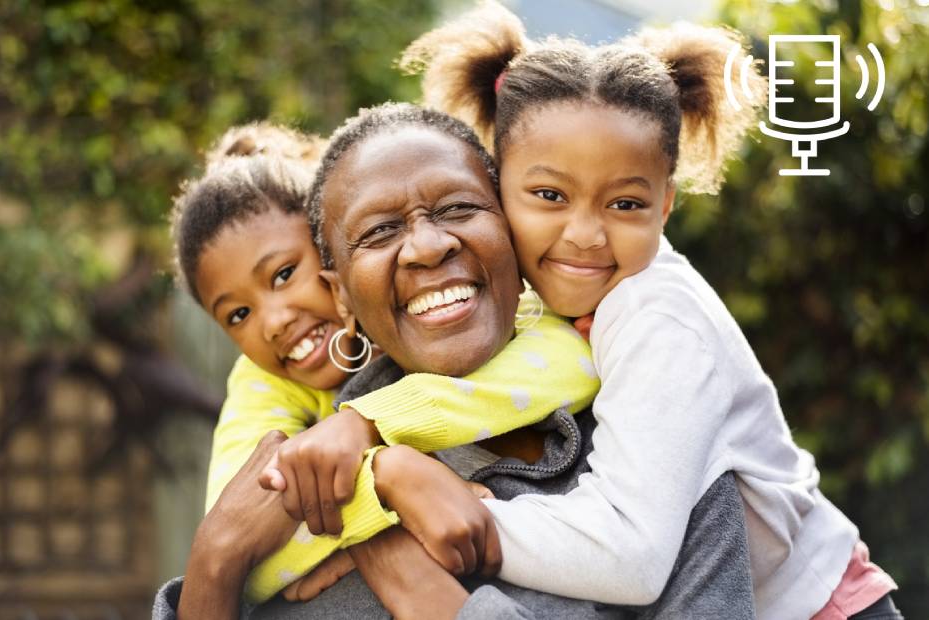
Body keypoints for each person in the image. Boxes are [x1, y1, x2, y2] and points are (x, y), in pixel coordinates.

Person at [397, 2, 903, 618]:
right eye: (549, 195)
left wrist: (464, 518)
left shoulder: (656, 316)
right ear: (495, 187)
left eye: (626, 204)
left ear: (665, 208)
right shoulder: (533, 301)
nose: (584, 233)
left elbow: (631, 555)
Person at [153, 103, 755, 620]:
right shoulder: (308, 499)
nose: (427, 244)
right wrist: (217, 560)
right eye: (380, 230)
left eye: (459, 209)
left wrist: (429, 598)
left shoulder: (657, 453)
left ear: (513, 227)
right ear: (341, 290)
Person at [168, 121, 599, 602]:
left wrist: (371, 426)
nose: (272, 321)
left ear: (332, 252)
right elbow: (240, 527)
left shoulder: (493, 305)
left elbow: (574, 360)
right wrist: (382, 490)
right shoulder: (261, 383)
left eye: (285, 273)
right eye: (238, 314)